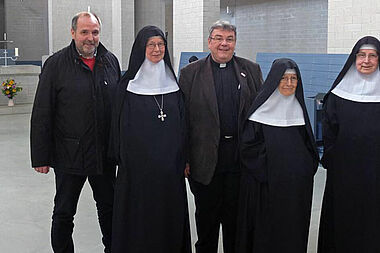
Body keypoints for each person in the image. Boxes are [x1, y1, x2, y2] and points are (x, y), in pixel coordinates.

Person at [30, 12, 120, 253]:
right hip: (69, 155)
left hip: (104, 155)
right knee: (63, 212)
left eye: (95, 32)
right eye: (84, 32)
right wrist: (41, 157)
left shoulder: (110, 62)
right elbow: (42, 112)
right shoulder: (56, 65)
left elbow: (119, 110)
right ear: (73, 33)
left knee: (109, 209)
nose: (90, 38)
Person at [179, 20, 263, 253]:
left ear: (235, 42)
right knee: (206, 225)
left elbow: (261, 114)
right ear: (209, 42)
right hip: (204, 162)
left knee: (236, 226)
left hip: (239, 161)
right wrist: (184, 157)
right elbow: (182, 121)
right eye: (218, 38)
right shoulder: (190, 74)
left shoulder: (252, 70)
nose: (224, 44)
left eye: (229, 39)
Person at [109, 25, 191, 253]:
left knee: (168, 217)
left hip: (170, 172)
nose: (157, 49)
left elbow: (183, 126)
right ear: (141, 49)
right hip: (138, 172)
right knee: (140, 219)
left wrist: (183, 158)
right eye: (151, 45)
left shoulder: (175, 84)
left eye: (161, 44)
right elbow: (119, 131)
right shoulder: (127, 87)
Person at [236, 58, 319, 253]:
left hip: (295, 191)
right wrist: (277, 170)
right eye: (284, 78)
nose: (289, 83)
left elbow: (310, 149)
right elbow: (249, 150)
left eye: (293, 78)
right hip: (265, 189)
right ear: (274, 80)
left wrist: (303, 170)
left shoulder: (299, 111)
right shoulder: (259, 113)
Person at [318, 36, 380, 253]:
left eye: (373, 56)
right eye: (361, 55)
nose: (366, 60)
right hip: (344, 172)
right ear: (354, 59)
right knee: (344, 219)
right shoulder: (338, 94)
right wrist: (335, 160)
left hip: (376, 173)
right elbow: (329, 132)